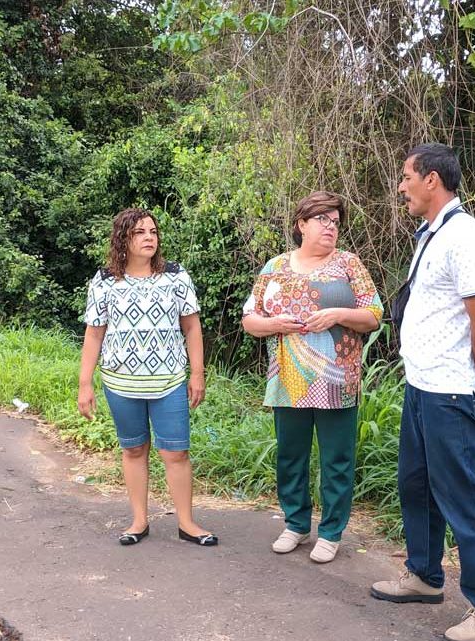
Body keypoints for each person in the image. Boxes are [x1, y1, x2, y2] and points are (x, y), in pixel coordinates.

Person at [370, 144, 475, 641]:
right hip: (420, 386)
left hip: (451, 393)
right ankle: (425, 576)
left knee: (464, 500)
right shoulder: (433, 232)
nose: (402, 186)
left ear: (432, 180)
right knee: (415, 486)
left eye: (407, 177)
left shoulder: (465, 236)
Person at [242, 191, 382, 564]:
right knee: (291, 455)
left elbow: (374, 315)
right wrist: (273, 324)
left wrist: (338, 314)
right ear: (302, 224)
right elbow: (249, 319)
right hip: (288, 378)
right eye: (323, 220)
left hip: (338, 379)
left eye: (336, 222)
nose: (330, 228)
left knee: (336, 457)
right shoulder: (274, 267)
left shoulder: (349, 264)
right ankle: (296, 524)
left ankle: (332, 531)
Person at [77, 207, 217, 547]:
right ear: (124, 238)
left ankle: (187, 523)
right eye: (140, 232)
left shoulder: (175, 276)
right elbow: (94, 333)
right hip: (120, 383)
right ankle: (139, 521)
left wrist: (196, 374)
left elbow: (192, 327)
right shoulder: (105, 280)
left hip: (168, 381)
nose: (149, 237)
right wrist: (85, 383)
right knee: (134, 450)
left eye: (153, 231)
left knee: (176, 453)